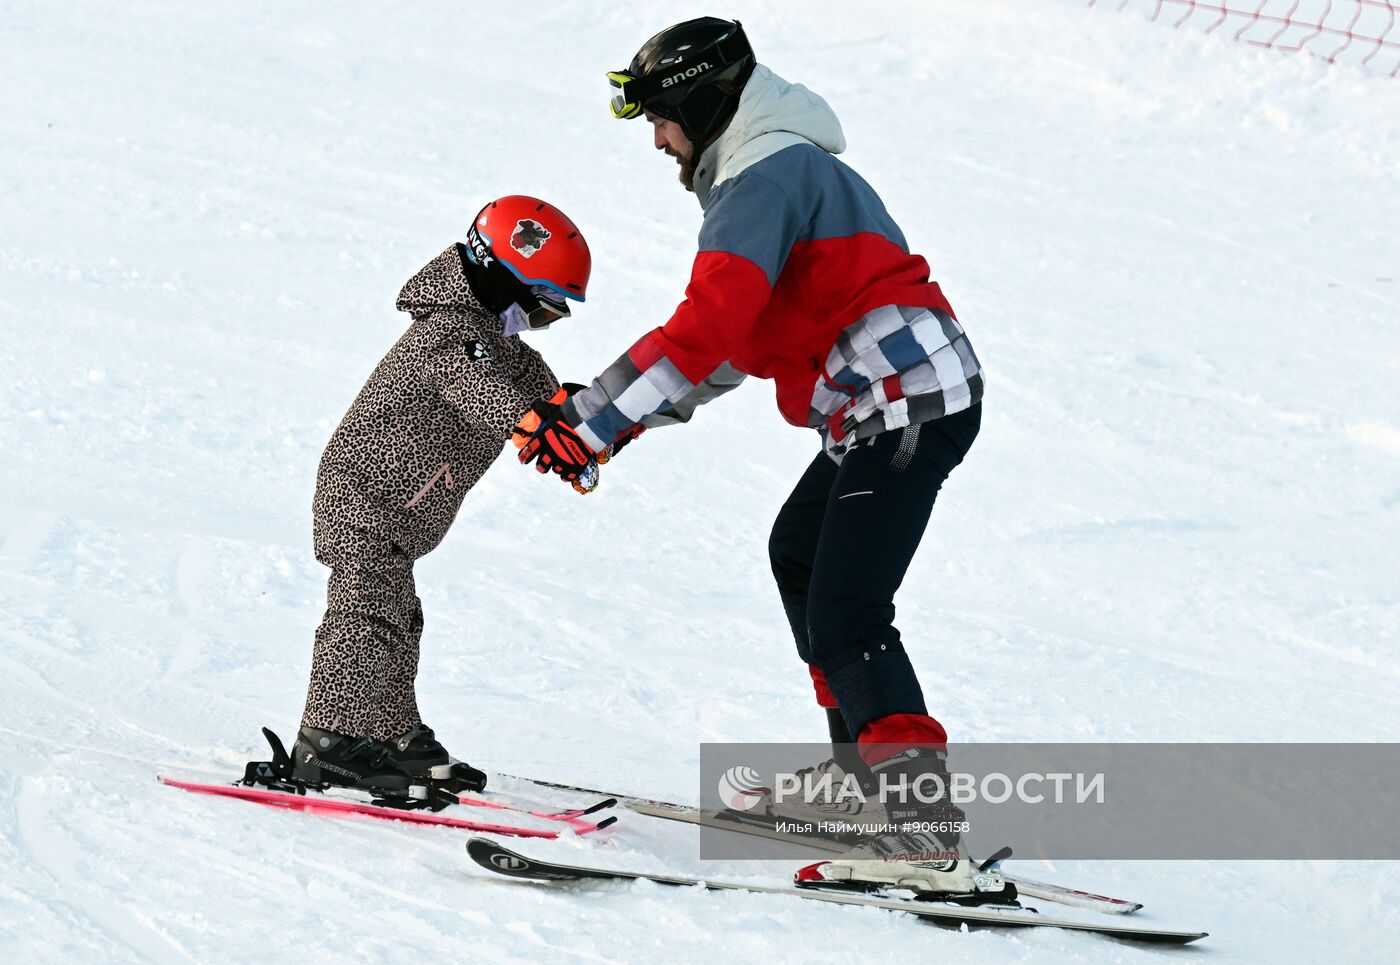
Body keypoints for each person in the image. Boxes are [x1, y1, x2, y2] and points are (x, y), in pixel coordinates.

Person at [512, 19, 1006, 901]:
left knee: (848, 604)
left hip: (907, 400)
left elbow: (705, 330)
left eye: (662, 118)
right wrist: (606, 424)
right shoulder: (773, 175)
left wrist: (591, 417)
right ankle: (862, 783)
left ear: (705, 102)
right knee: (803, 552)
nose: (659, 140)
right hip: (889, 404)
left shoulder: (764, 176)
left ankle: (921, 832)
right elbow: (731, 349)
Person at [292, 196, 593, 797]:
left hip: (401, 513)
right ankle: (323, 740)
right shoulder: (445, 333)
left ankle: (392, 735)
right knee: (364, 614)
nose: (541, 323)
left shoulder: (503, 351)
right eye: (542, 308)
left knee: (399, 620)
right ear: (505, 279)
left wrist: (594, 425)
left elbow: (553, 400)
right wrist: (529, 422)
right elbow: (473, 386)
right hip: (363, 497)